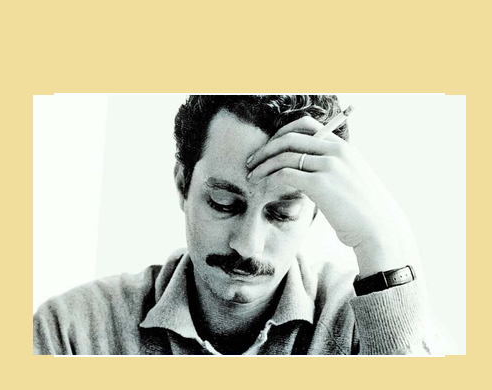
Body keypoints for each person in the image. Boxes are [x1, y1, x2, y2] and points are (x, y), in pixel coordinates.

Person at [33, 95, 445, 355]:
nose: (248, 245)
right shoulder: (72, 333)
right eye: (224, 204)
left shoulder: (359, 327)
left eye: (281, 213)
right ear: (182, 185)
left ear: (315, 212)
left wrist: (381, 241)